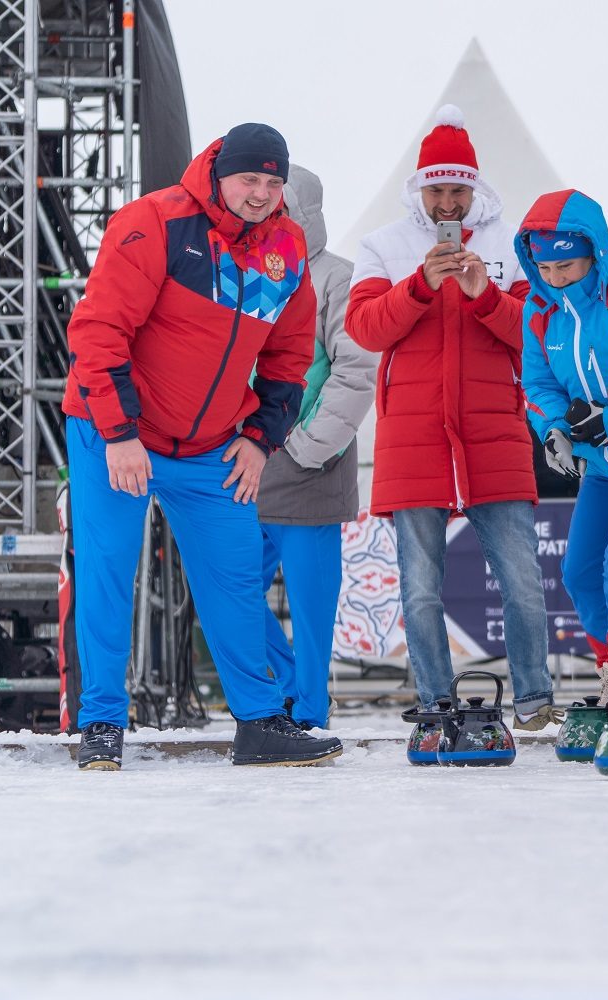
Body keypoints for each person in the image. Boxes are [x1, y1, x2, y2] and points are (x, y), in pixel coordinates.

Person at [62, 123, 343, 769]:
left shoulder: (286, 246)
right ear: (219, 172)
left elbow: (290, 353)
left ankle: (259, 722)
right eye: (251, 179)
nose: (262, 194)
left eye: (274, 183)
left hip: (212, 445)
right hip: (115, 433)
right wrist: (120, 435)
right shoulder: (155, 222)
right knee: (108, 572)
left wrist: (258, 438)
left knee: (235, 581)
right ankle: (101, 723)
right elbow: (99, 331)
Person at [344, 105, 556, 732]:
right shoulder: (383, 245)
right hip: (415, 437)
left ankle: (535, 698)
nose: (447, 203)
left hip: (494, 433)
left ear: (474, 188)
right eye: (436, 189)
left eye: (457, 188)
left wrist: (482, 295)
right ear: (419, 188)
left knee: (520, 580)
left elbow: (535, 335)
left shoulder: (511, 246)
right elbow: (362, 329)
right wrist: (416, 287)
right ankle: (436, 700)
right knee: (420, 588)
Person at [515, 190, 608, 705]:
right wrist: (555, 428)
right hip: (599, 467)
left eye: (566, 265)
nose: (554, 277)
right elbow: (538, 381)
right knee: (577, 572)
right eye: (543, 266)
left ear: (594, 251)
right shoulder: (539, 308)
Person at [255, 165, 377, 730]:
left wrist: (307, 447)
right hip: (244, 459)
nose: (267, 212)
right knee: (225, 587)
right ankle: (285, 687)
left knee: (310, 607)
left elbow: (355, 371)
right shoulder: (242, 272)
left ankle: (308, 710)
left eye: (280, 205)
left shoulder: (336, 278)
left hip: (311, 462)